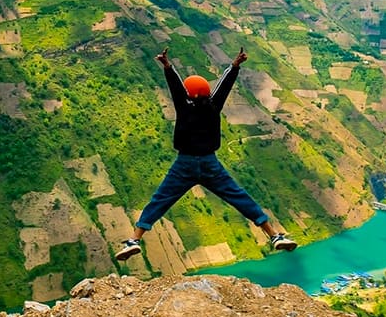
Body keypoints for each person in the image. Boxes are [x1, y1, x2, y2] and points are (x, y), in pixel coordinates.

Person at [115, 46, 297, 262]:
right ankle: (274, 235)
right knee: (239, 196)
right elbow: (224, 86)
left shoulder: (184, 107)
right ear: (206, 93)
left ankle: (134, 240)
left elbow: (176, 88)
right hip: (210, 164)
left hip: (184, 164)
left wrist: (167, 66)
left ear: (189, 93)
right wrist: (235, 65)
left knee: (160, 200)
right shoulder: (213, 106)